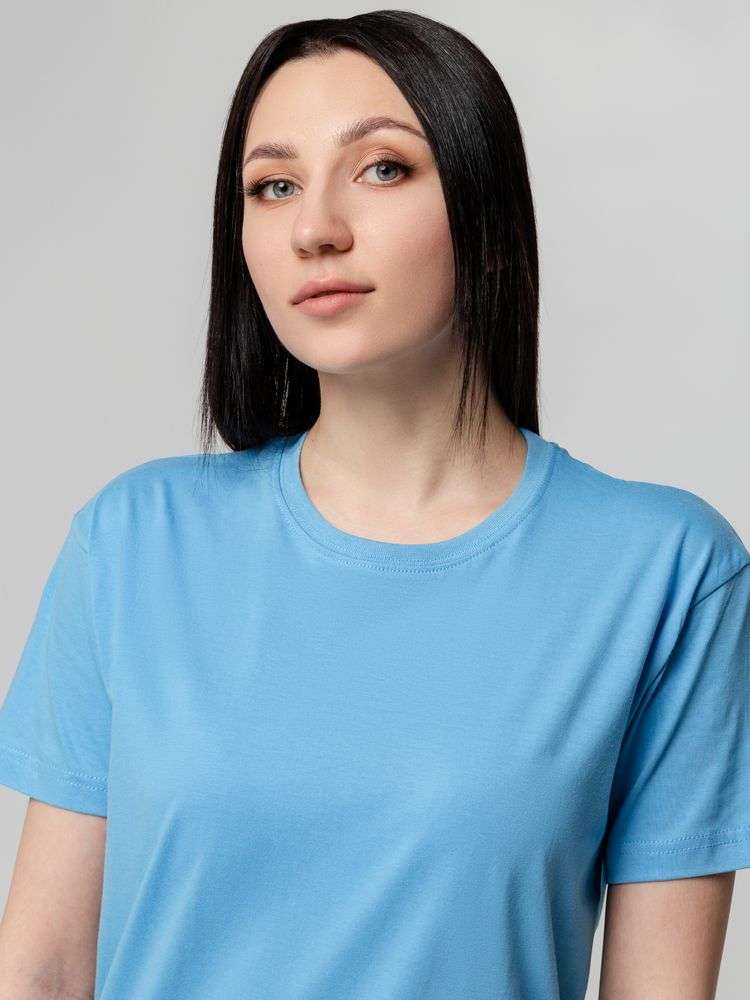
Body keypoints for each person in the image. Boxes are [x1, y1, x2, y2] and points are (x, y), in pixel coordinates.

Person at [0, 11, 748, 1000]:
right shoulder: (134, 541)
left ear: (481, 203)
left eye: (383, 168)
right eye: (273, 186)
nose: (315, 228)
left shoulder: (666, 570)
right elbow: (41, 971)